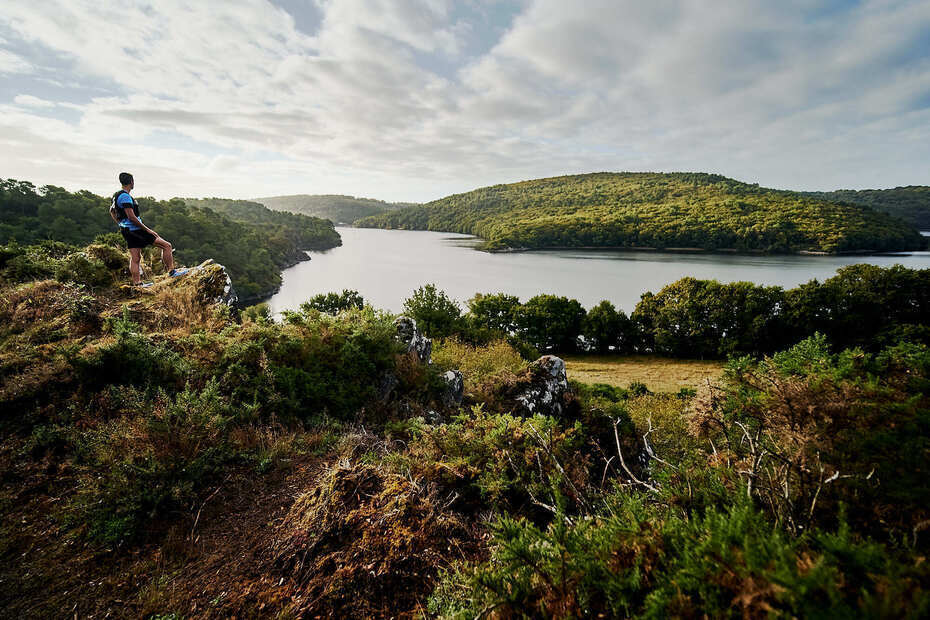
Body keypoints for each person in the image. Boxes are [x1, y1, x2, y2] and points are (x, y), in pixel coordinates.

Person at [109, 172, 185, 286]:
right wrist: (147, 229)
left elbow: (111, 211)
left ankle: (137, 283)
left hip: (127, 230)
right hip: (136, 230)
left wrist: (120, 223)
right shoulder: (125, 196)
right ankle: (172, 271)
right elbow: (132, 217)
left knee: (135, 257)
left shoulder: (116, 195)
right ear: (131, 182)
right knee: (167, 245)